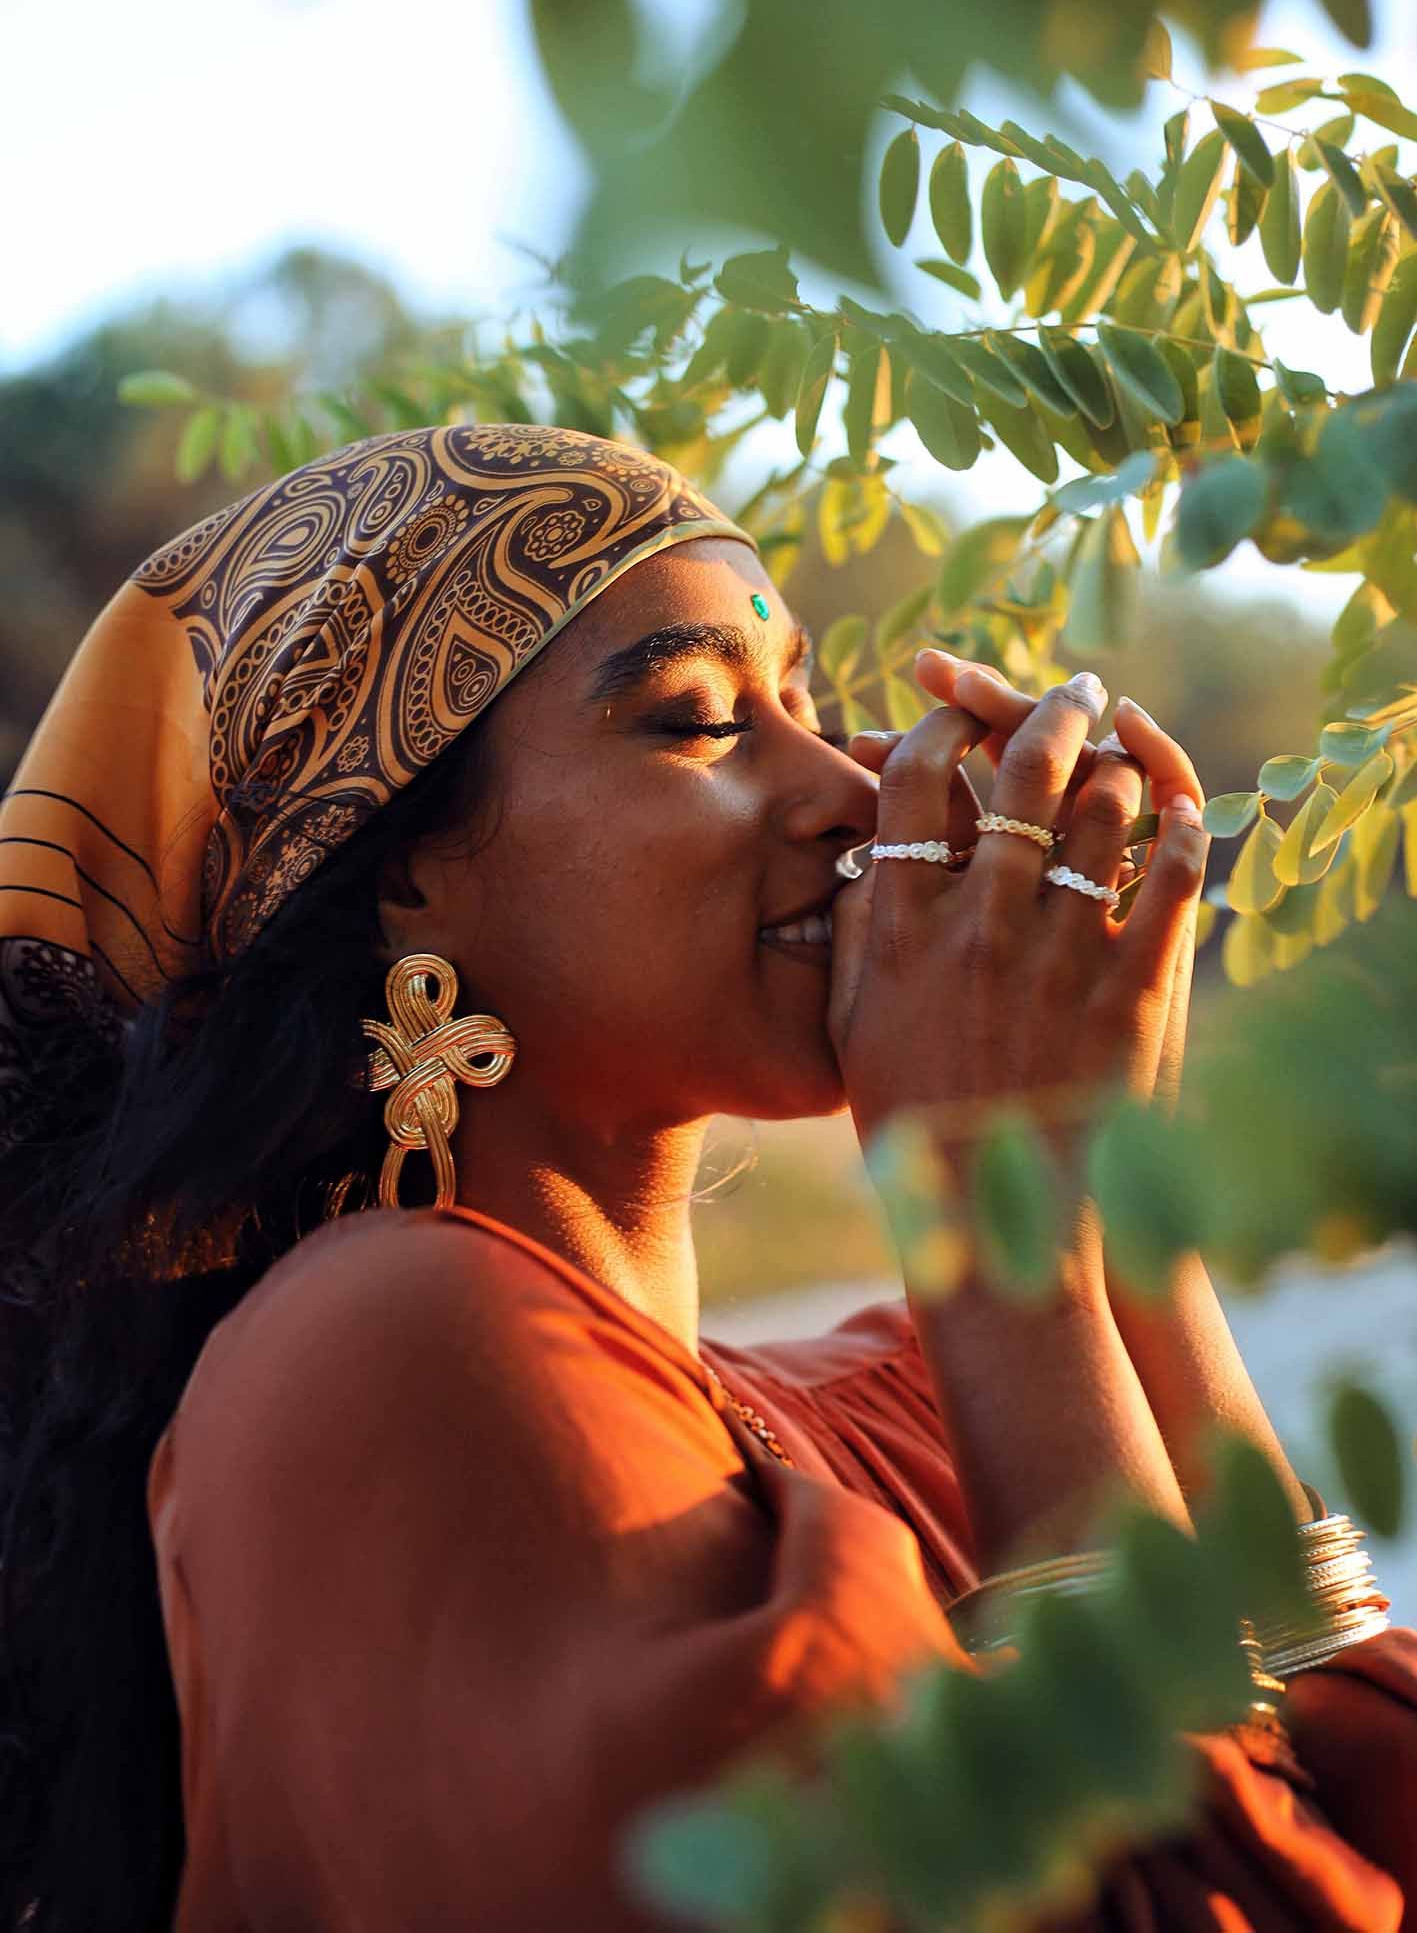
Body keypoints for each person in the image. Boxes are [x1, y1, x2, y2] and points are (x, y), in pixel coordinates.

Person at [0, 421, 1412, 1932]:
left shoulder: (911, 1394)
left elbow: (1364, 1826)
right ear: (397, 863)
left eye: (809, 703)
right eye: (696, 720)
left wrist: (1086, 1198)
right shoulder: (387, 1354)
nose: (848, 790)